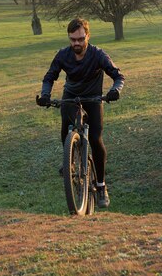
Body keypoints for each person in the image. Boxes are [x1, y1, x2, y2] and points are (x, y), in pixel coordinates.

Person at [36, 17, 125, 208]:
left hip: (93, 98)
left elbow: (118, 76)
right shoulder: (63, 55)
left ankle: (101, 186)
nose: (76, 43)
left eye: (80, 39)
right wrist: (45, 94)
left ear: (87, 36)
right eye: (72, 39)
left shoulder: (98, 55)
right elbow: (49, 77)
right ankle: (70, 159)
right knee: (65, 131)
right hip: (71, 96)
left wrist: (115, 90)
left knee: (95, 139)